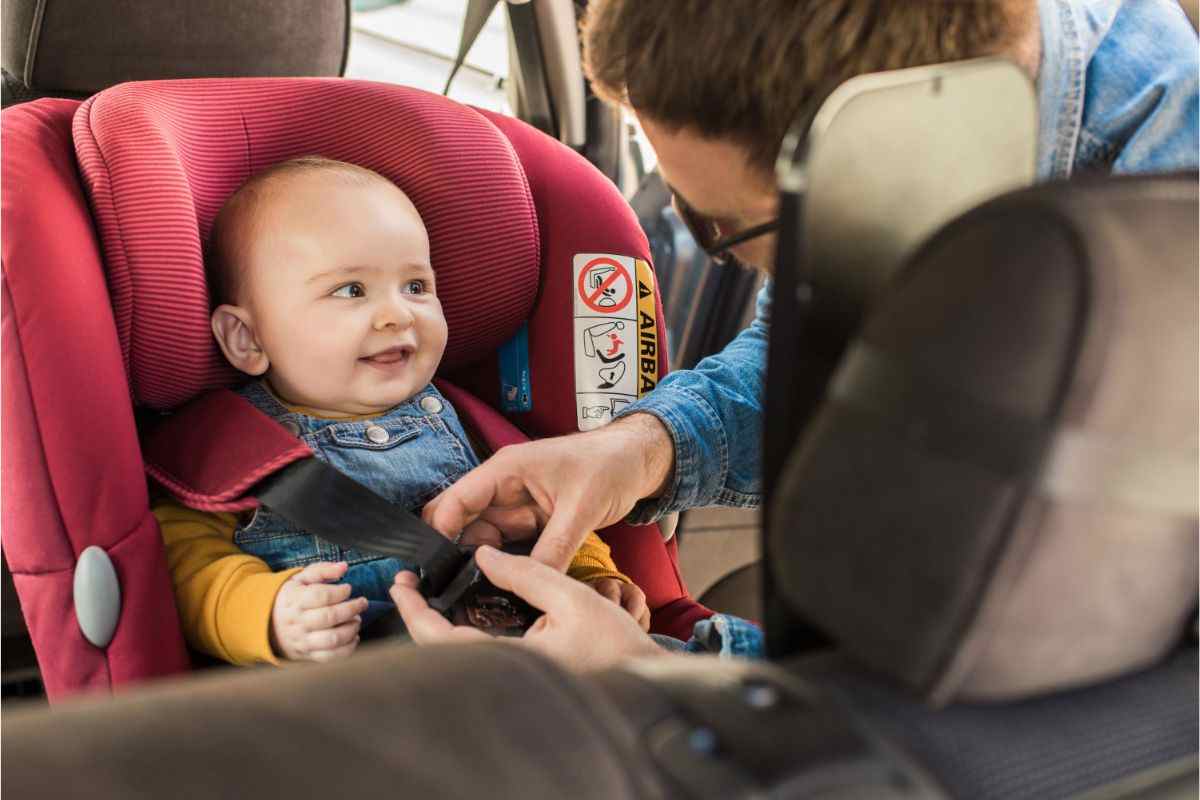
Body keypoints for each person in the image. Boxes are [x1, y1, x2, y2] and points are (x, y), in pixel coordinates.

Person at [394, 0, 1200, 670]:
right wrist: (644, 448)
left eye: (722, 225)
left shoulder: (1168, 255)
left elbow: (1076, 703)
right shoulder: (922, 114)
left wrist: (653, 678)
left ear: (889, 151)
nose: (719, 249)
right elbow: (820, 333)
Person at [153, 156, 649, 666]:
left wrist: (591, 575)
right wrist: (271, 615)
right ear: (247, 338)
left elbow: (548, 510)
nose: (397, 314)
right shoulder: (228, 451)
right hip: (368, 695)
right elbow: (189, 568)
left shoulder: (467, 421)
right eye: (351, 290)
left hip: (523, 663)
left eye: (416, 286)